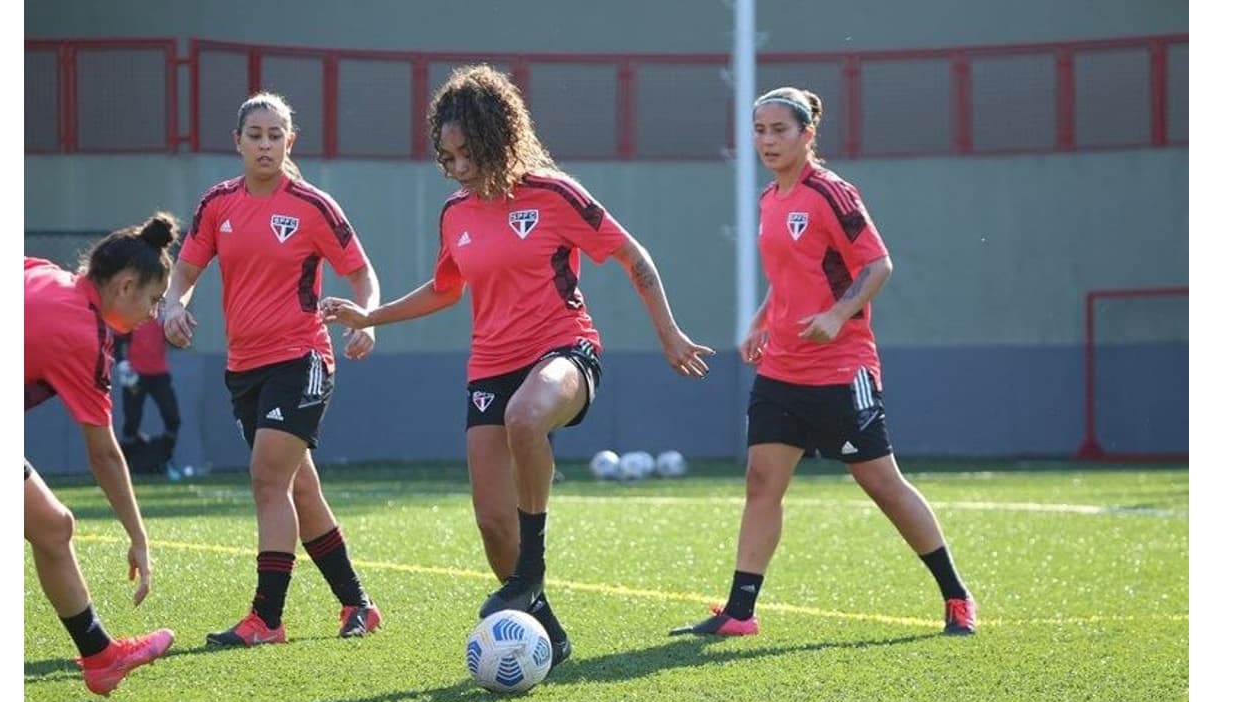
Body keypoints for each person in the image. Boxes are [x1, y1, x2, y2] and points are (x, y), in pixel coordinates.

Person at [322, 65, 714, 669]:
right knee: (490, 519)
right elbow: (444, 288)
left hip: (566, 351)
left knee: (527, 416)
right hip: (490, 367)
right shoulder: (455, 213)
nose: (455, 166)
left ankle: (531, 569)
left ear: (496, 136)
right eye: (446, 156)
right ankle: (547, 629)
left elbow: (634, 258)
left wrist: (669, 334)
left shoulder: (556, 194)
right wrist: (370, 318)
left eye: (465, 152)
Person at [669, 87, 977, 638]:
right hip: (782, 369)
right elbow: (789, 274)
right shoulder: (769, 199)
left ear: (808, 134)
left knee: (881, 483)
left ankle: (956, 596)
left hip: (841, 368)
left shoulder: (832, 194)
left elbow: (878, 264)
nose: (767, 140)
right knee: (762, 481)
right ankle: (740, 611)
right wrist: (763, 319)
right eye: (760, 130)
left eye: (779, 129)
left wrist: (837, 315)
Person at [162, 91, 383, 648]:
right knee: (299, 490)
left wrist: (368, 320)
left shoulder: (313, 206)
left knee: (267, 479)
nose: (265, 144)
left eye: (275, 135)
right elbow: (185, 268)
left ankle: (267, 619)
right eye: (255, 135)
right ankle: (358, 605)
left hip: (302, 359)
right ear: (237, 142)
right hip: (244, 369)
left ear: (290, 141)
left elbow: (362, 274)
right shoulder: (218, 204)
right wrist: (173, 303)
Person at [25, 213, 179, 696]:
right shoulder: (82, 335)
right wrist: (138, 536)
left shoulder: (44, 273)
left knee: (52, 525)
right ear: (126, 285)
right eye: (153, 300)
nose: (153, 313)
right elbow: (105, 455)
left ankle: (100, 657)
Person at [115, 317, 182, 480]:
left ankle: (164, 460)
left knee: (173, 418)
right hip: (136, 372)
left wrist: (176, 328)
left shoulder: (165, 308)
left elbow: (175, 339)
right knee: (132, 423)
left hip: (159, 372)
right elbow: (119, 339)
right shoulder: (134, 306)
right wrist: (123, 366)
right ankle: (125, 469)